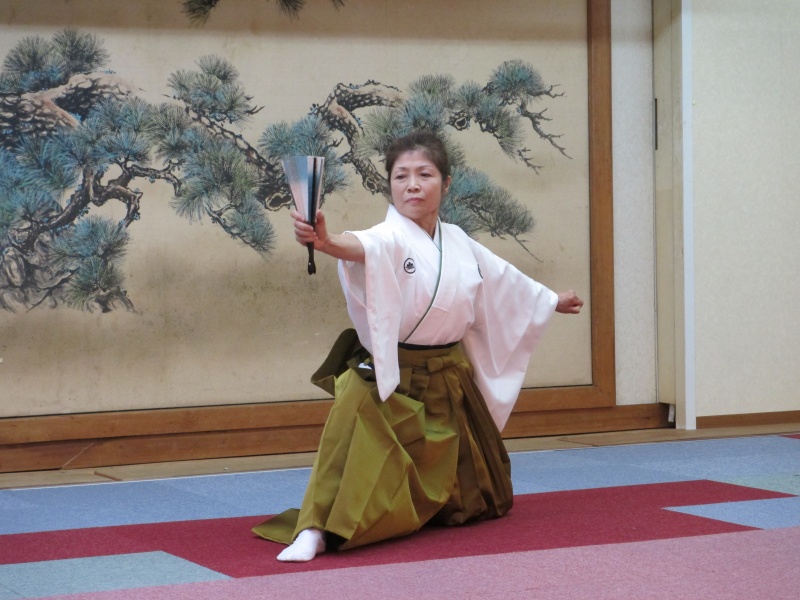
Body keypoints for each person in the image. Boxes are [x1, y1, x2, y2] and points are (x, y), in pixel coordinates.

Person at [252, 130, 583, 562]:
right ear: (389, 184)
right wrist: (327, 242)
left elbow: (504, 281)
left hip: (449, 375)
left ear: (446, 183)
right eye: (401, 176)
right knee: (346, 431)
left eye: (424, 175)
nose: (412, 185)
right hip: (392, 372)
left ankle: (413, 507)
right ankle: (314, 528)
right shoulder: (388, 237)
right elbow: (360, 246)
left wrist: (551, 300)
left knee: (481, 499)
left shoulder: (458, 240)